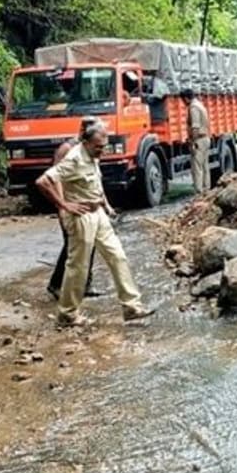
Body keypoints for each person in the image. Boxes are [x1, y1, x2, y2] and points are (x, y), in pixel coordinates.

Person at [35, 124, 154, 327]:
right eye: (99, 146)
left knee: (117, 256)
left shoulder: (93, 156)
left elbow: (95, 185)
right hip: (81, 217)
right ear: (86, 142)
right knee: (78, 266)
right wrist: (64, 205)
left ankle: (131, 306)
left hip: (98, 214)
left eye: (104, 146)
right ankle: (68, 314)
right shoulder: (73, 159)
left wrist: (106, 206)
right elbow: (43, 181)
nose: (103, 150)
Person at [46, 116, 102, 300]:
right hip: (70, 205)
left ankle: (86, 283)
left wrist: (104, 203)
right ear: (83, 131)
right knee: (72, 245)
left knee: (90, 242)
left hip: (87, 204)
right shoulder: (67, 149)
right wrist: (62, 206)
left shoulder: (91, 149)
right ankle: (56, 284)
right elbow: (56, 178)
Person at [184, 87, 210, 192]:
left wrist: (192, 141)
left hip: (199, 140)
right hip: (205, 138)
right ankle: (207, 189)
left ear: (186, 98)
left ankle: (199, 192)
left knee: (197, 168)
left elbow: (195, 126)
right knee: (204, 166)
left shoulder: (193, 107)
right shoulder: (200, 105)